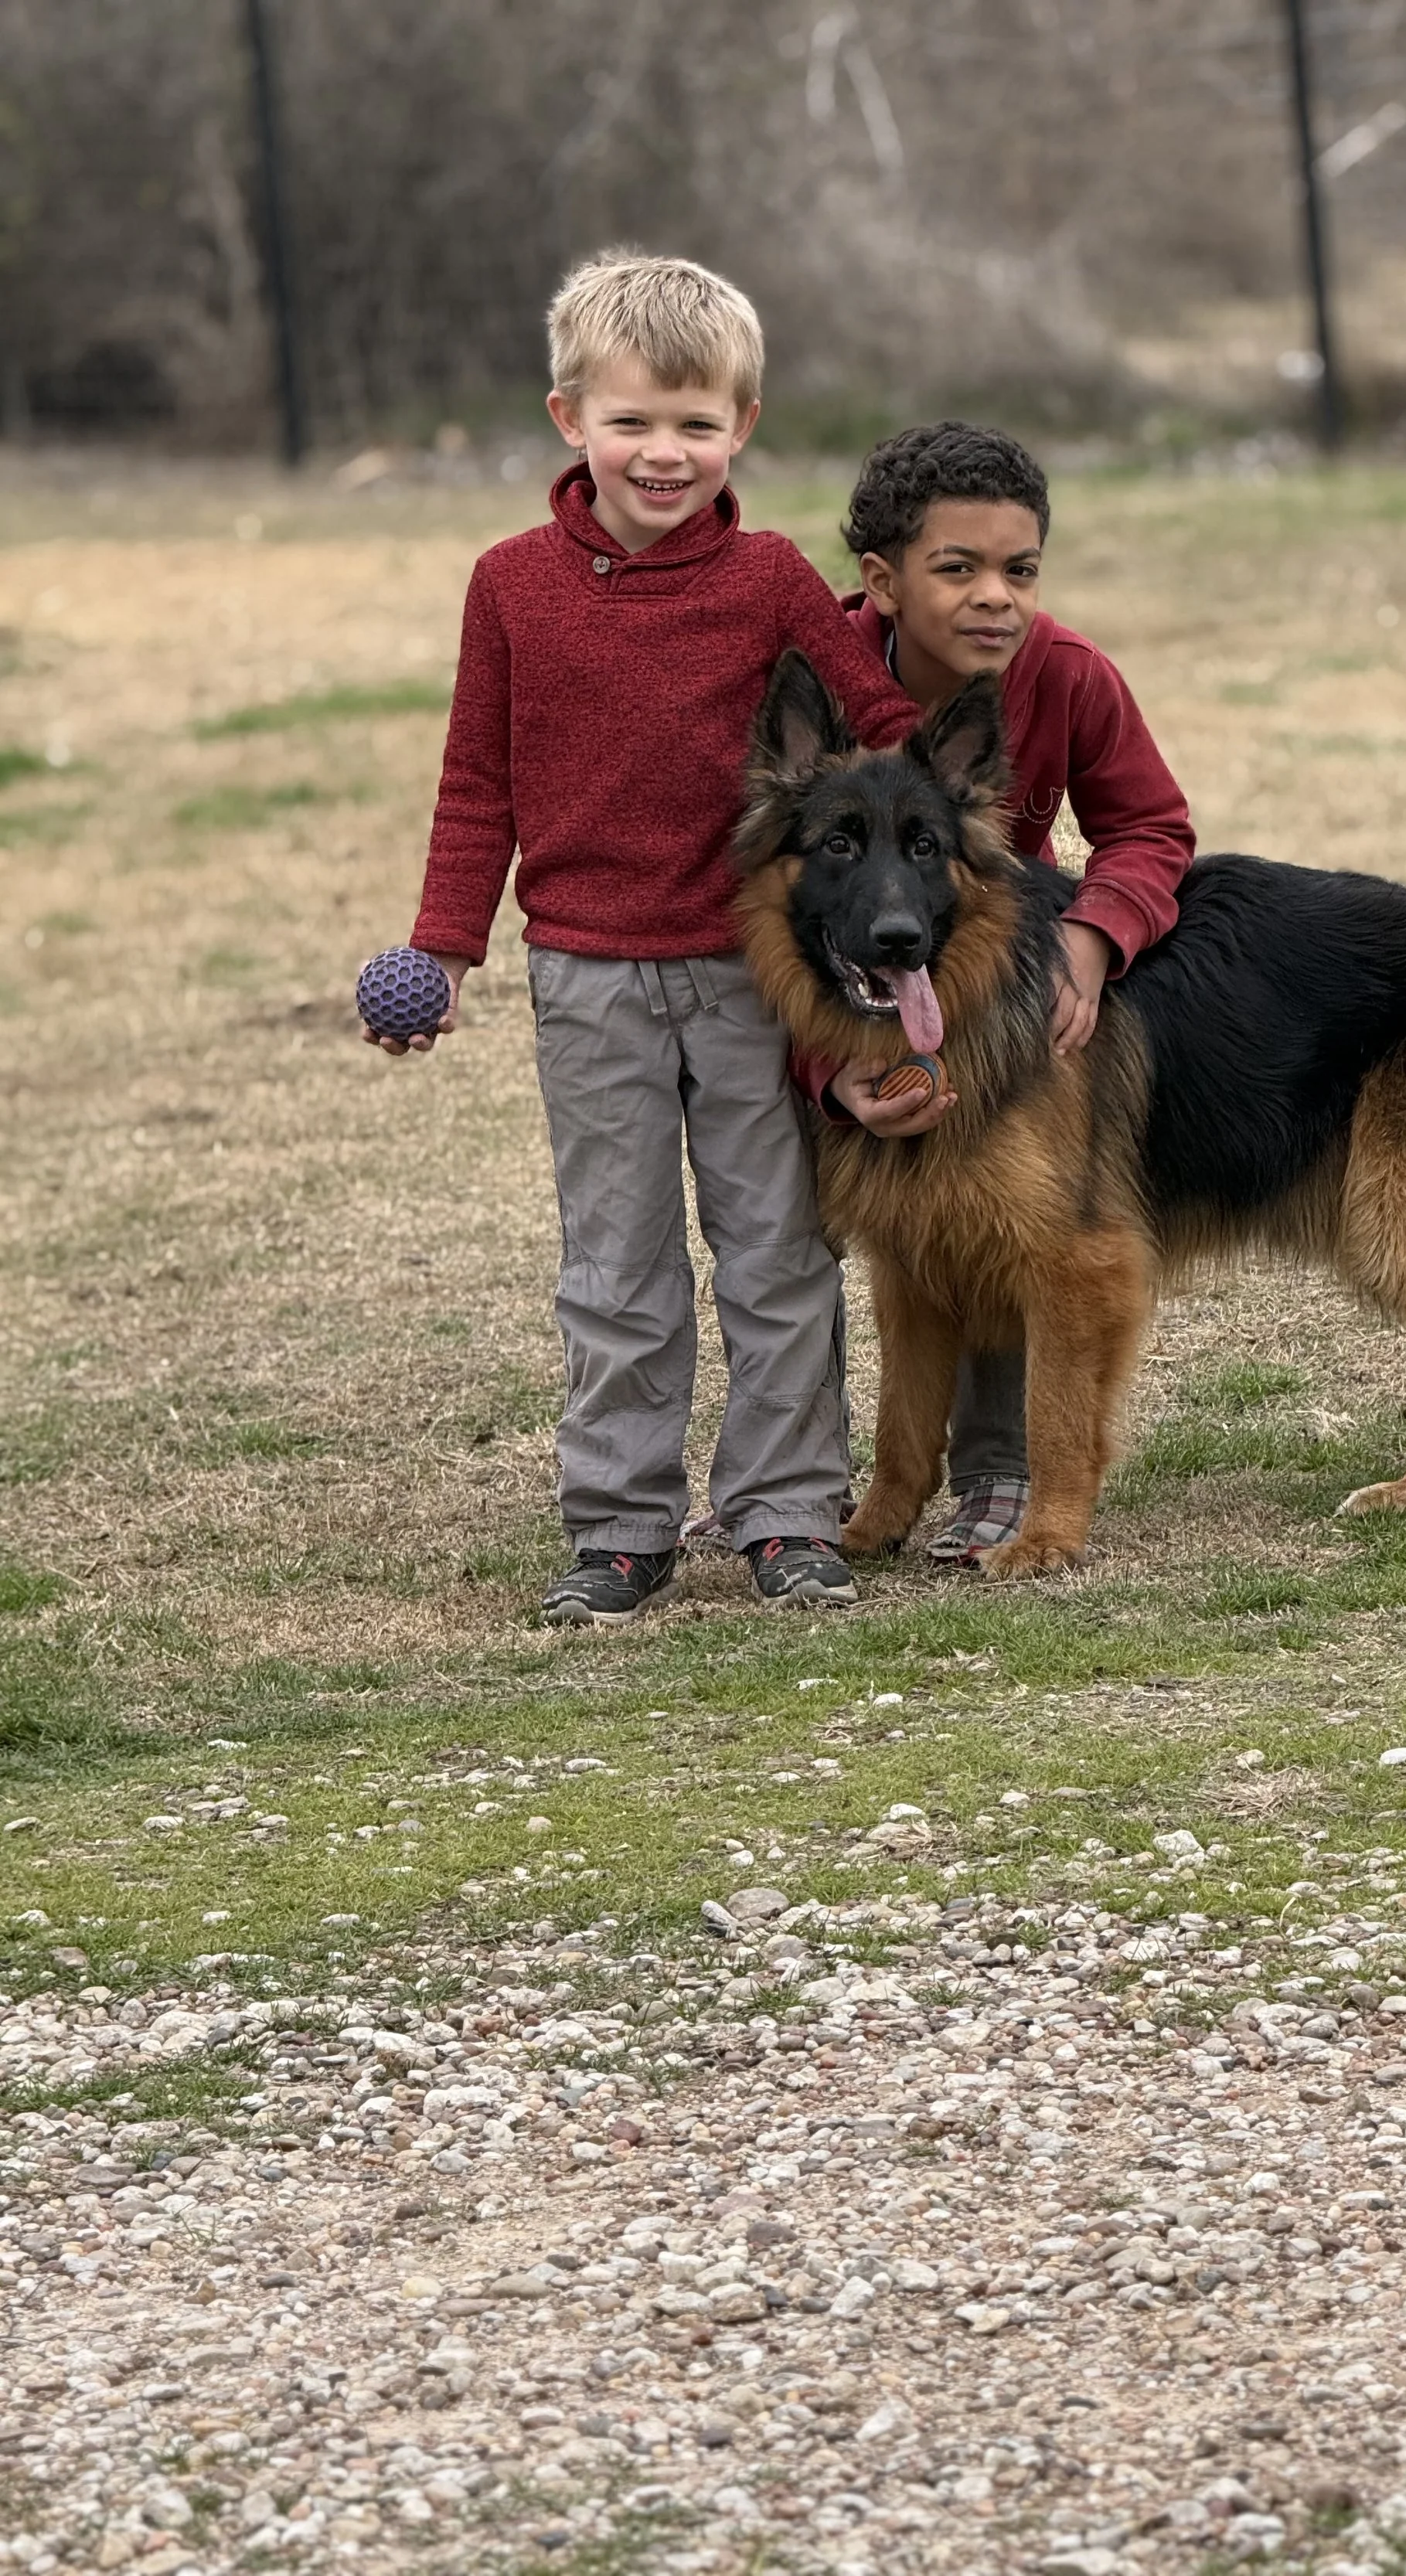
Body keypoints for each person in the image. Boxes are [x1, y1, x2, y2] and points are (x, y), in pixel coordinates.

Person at [363, 249, 914, 1625]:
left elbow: (882, 733)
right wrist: (444, 948)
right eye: (632, 422)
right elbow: (475, 782)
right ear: (569, 421)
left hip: (751, 974)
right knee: (617, 1262)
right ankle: (620, 1525)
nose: (664, 454)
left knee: (779, 1247)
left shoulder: (777, 580)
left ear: (743, 428)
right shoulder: (509, 586)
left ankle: (787, 1514)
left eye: (695, 424)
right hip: (586, 977)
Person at [820, 420, 1195, 1567]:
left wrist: (1094, 936)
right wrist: (829, 1066)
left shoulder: (1067, 673)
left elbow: (1150, 826)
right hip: (854, 979)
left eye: (1020, 571)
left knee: (1016, 1224)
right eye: (960, 569)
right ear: (881, 581)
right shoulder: (823, 682)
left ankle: (1008, 1476)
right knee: (891, 1241)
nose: (997, 598)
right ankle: (801, 1482)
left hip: (1004, 968)